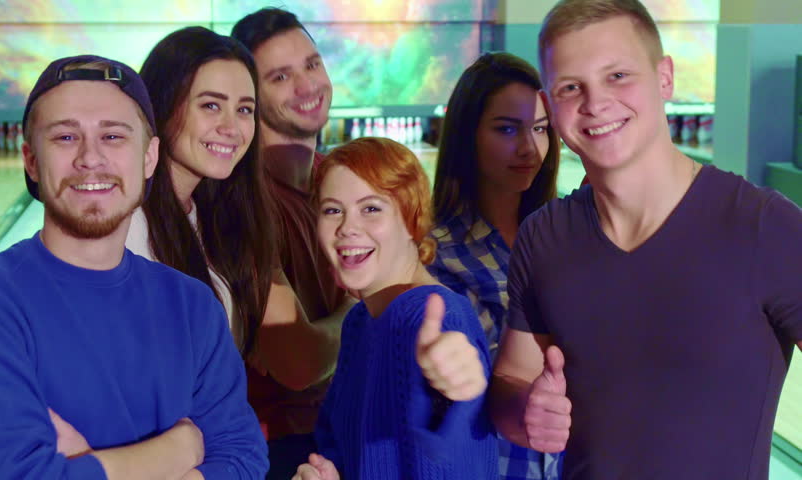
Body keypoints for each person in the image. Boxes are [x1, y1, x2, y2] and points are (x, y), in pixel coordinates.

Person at [488, 1, 802, 479]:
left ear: (665, 78)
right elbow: (511, 381)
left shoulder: (764, 226)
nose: (595, 103)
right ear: (550, 108)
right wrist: (526, 411)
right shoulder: (544, 238)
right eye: (572, 87)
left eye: (617, 76)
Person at [0, 55, 268, 478]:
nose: (90, 159)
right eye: (65, 137)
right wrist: (181, 447)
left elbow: (244, 457)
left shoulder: (193, 305)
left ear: (149, 157)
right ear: (29, 159)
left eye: (114, 137)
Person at [294, 137, 497, 480]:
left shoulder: (434, 315)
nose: (347, 227)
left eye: (371, 208)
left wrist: (450, 397)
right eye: (333, 210)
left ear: (412, 219)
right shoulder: (359, 321)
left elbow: (449, 447)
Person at [232, 8, 355, 477]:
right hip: (280, 449)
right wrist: (359, 310)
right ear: (251, 96)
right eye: (281, 76)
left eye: (312, 64)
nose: (308, 86)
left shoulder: (339, 177)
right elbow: (298, 364)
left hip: (344, 423)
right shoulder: (242, 205)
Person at [429, 52, 562, 480]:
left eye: (540, 129)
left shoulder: (564, 236)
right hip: (488, 466)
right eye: (507, 129)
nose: (528, 148)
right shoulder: (435, 253)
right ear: (468, 134)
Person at [126, 26, 275, 356]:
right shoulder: (125, 226)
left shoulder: (212, 217)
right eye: (210, 105)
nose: (231, 128)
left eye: (245, 109)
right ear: (163, 105)